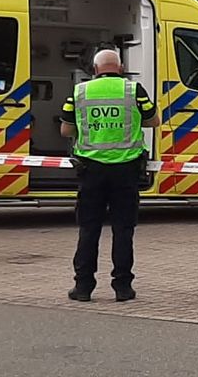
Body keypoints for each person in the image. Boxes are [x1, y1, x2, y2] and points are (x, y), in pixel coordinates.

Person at [61, 49, 160, 303]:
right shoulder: (134, 90)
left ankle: (83, 287)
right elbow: (154, 121)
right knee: (123, 230)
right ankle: (123, 287)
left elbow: (65, 129)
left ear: (94, 69)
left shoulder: (79, 92)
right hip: (126, 171)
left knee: (89, 229)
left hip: (91, 170)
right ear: (121, 66)